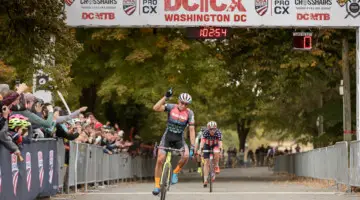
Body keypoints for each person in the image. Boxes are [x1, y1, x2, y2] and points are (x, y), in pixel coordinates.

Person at [152, 88, 196, 195]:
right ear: (178, 101)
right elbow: (155, 108)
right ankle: (157, 185)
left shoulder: (189, 113)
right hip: (167, 137)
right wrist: (165, 97)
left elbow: (191, 129)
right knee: (160, 160)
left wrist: (193, 146)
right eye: (182, 102)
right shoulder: (171, 107)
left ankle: (175, 173)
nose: (183, 105)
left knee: (185, 155)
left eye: (186, 104)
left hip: (178, 139)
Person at [199, 121, 222, 187]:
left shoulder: (218, 132)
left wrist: (221, 149)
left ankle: (216, 165)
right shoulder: (205, 132)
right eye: (210, 129)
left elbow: (220, 142)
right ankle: (205, 180)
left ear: (216, 128)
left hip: (215, 145)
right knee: (206, 162)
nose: (212, 131)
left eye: (214, 129)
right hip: (207, 145)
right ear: (208, 129)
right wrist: (200, 148)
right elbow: (202, 141)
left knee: (216, 151)